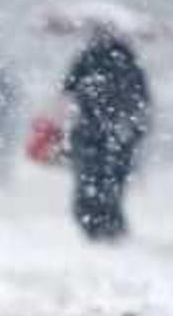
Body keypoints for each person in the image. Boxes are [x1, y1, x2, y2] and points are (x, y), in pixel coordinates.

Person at [61, 28, 151, 242]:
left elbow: (67, 89)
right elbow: (143, 102)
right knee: (113, 182)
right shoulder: (130, 62)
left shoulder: (86, 59)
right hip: (120, 134)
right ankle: (111, 224)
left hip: (90, 132)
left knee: (90, 181)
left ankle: (94, 223)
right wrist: (136, 130)